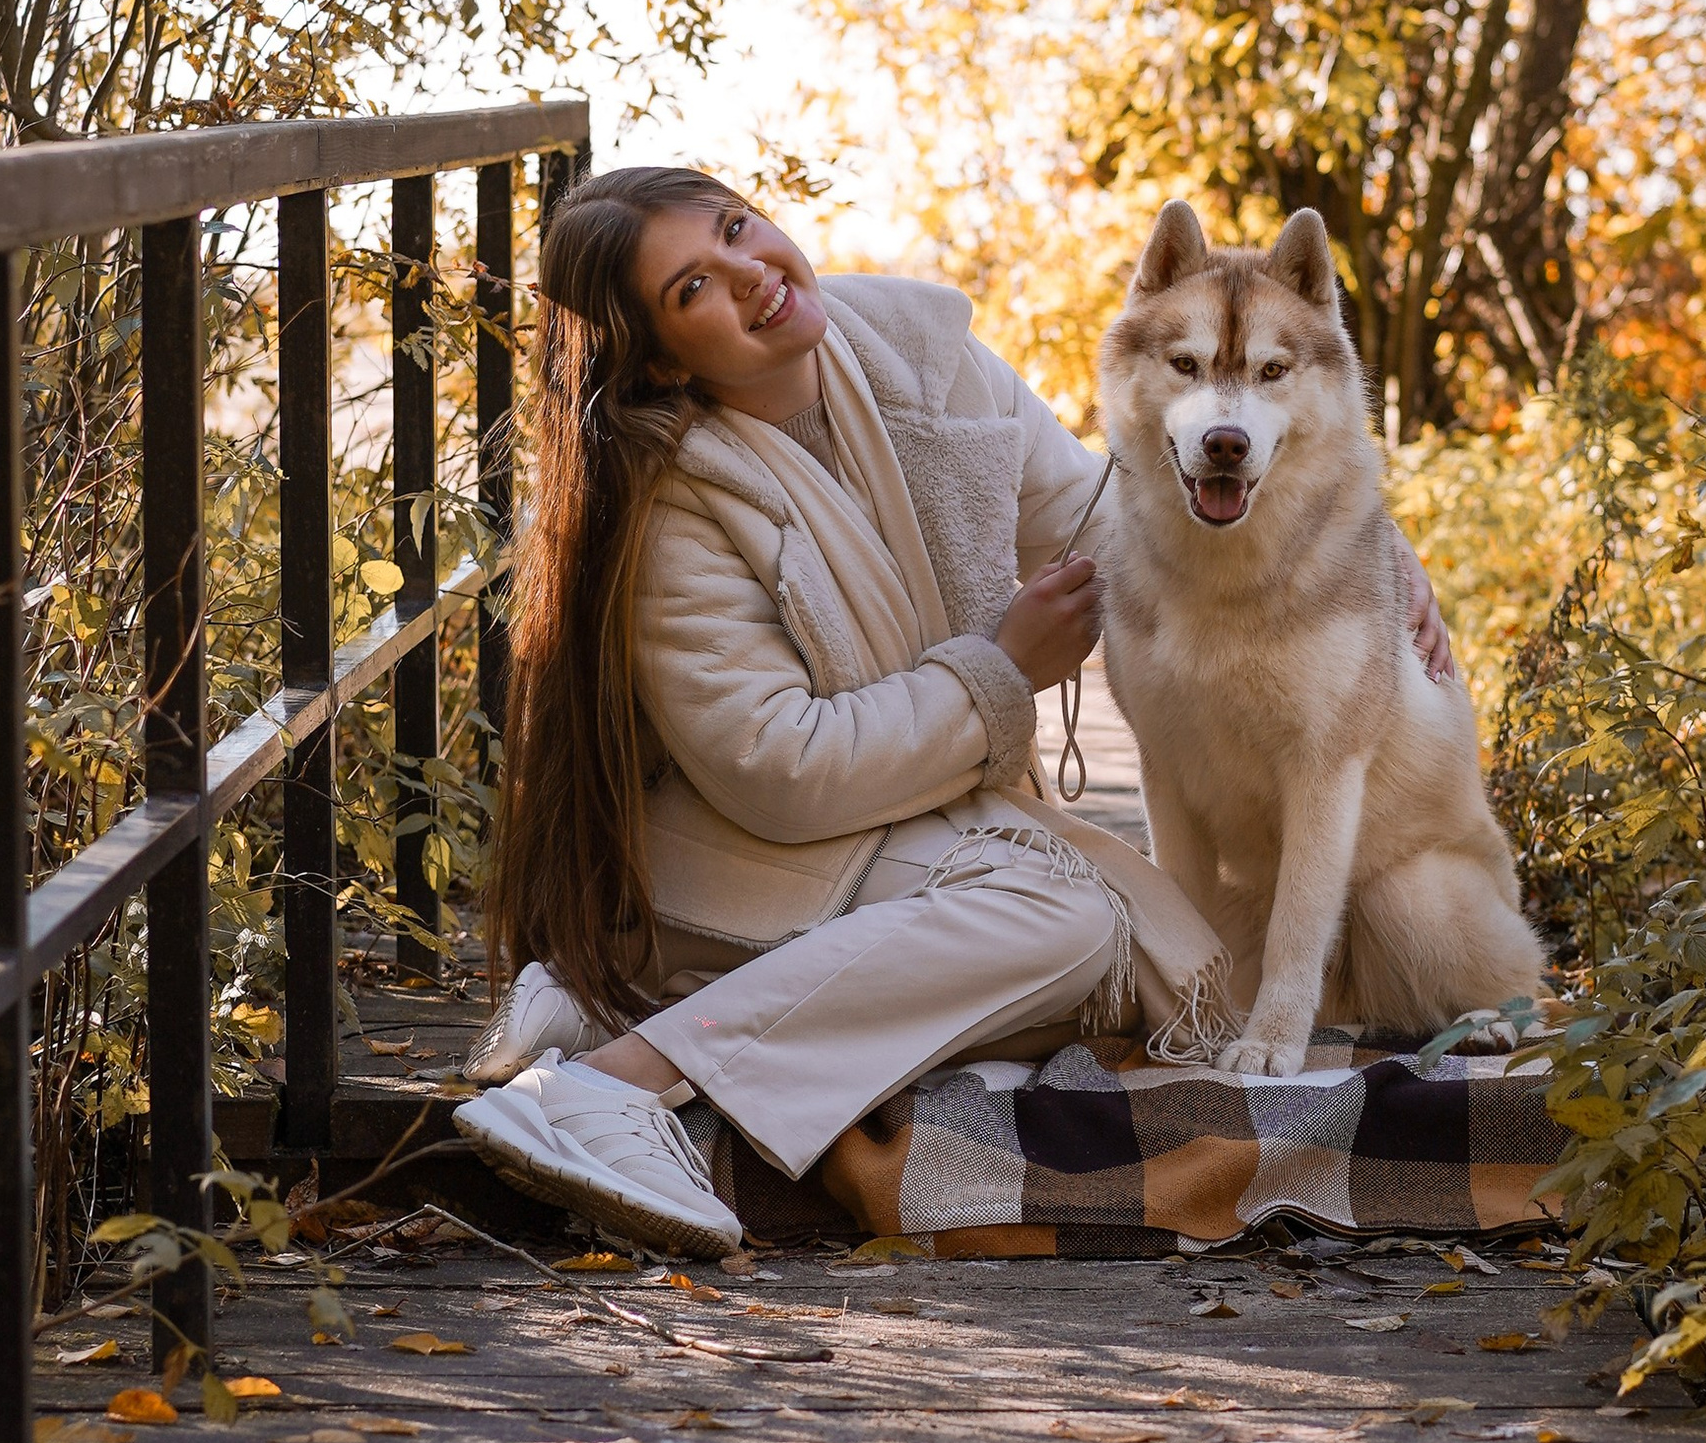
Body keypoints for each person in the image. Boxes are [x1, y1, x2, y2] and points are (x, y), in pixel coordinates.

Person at [454, 165, 1454, 1253]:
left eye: (739, 229)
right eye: (694, 286)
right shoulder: (669, 497)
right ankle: (616, 1084)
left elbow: (1106, 518)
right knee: (1071, 923)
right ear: (655, 354)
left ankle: (625, 1001)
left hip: (903, 822)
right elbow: (780, 771)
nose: (750, 274)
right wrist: (999, 671)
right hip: (739, 849)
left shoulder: (917, 355)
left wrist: (1358, 547)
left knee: (1147, 966)